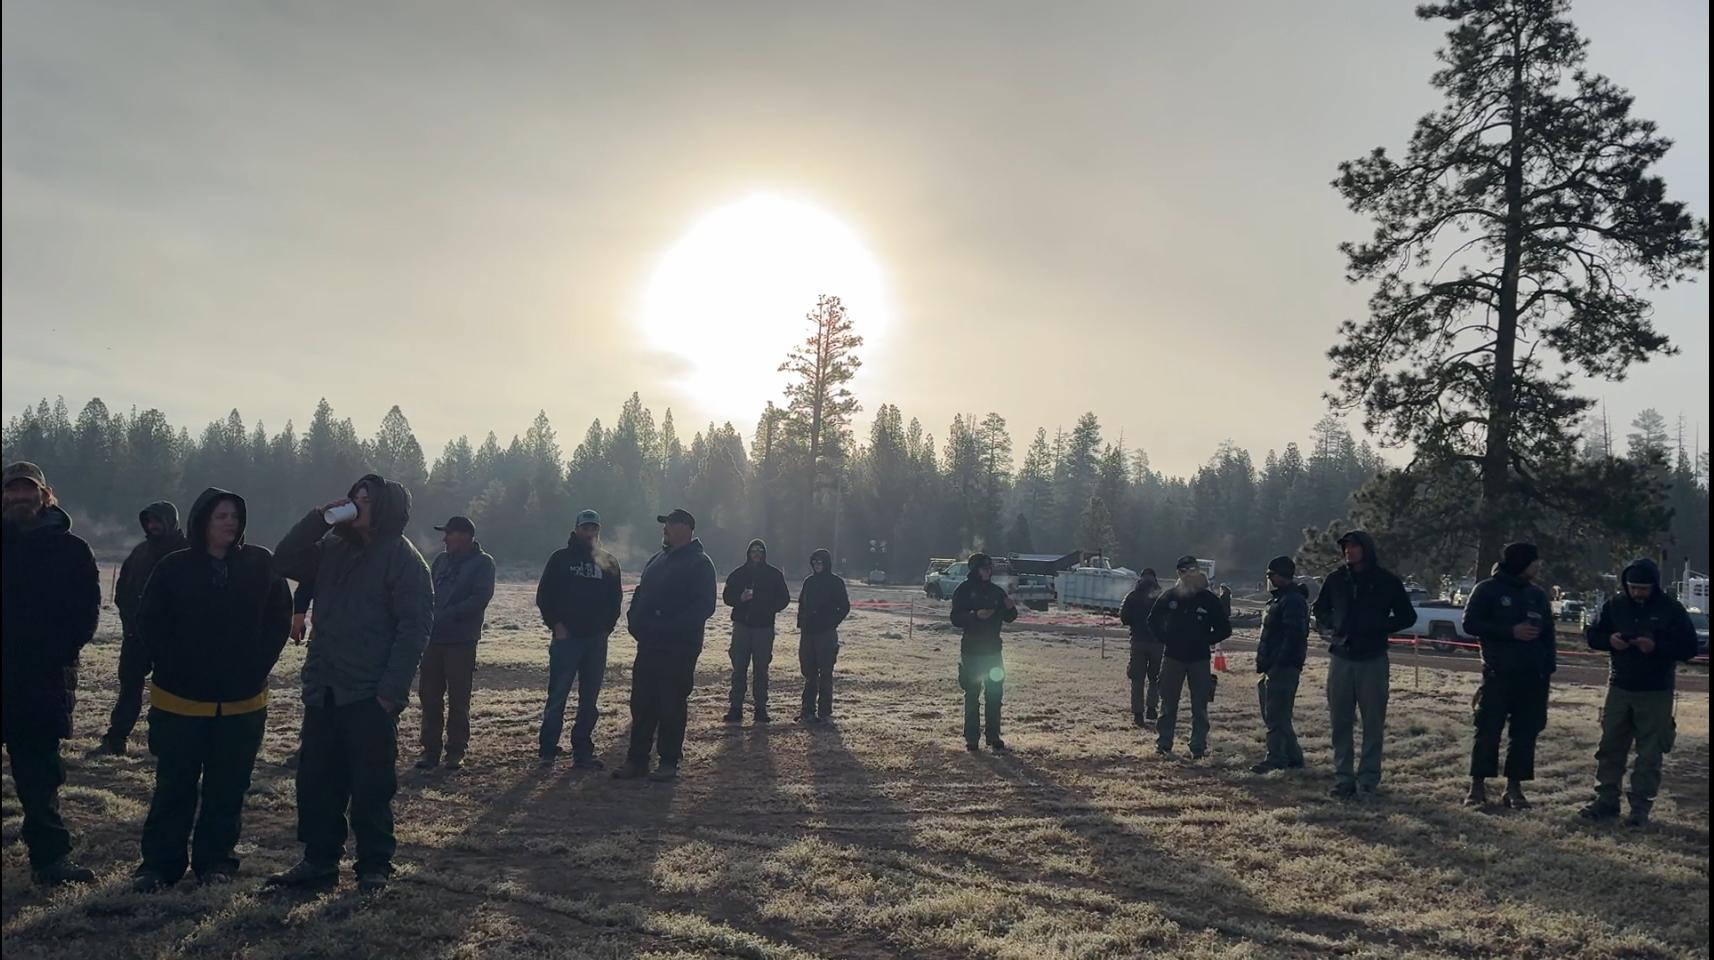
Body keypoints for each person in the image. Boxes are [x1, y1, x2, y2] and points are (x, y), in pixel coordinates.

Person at [266, 474, 432, 894]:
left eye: (366, 499)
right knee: (316, 781)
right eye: (354, 496)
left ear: (387, 508)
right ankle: (319, 861)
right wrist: (318, 519)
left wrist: (389, 695)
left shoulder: (404, 560)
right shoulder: (332, 548)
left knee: (371, 785)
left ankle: (374, 865)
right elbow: (283, 560)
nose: (356, 504)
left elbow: (414, 631)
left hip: (369, 694)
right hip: (324, 687)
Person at [131, 488, 292, 891]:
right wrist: (174, 665)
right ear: (202, 521)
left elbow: (278, 618)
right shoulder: (174, 568)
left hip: (242, 703)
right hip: (179, 701)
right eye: (221, 516)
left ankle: (216, 861)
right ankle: (159, 865)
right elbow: (149, 622)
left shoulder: (259, 564)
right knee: (174, 786)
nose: (230, 523)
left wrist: (257, 664)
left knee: (227, 789)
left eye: (235, 516)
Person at [1, 462, 100, 886]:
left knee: (41, 779)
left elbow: (85, 615)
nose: (20, 497)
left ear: (46, 496)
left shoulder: (72, 550)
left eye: (29, 490)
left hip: (40, 680)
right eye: (12, 490)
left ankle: (50, 861)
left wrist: (49, 657)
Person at [1580, 558, 1698, 827]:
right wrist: (1608, 641)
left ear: (1654, 586)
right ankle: (1606, 800)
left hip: (1655, 690)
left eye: (1643, 588)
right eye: (1633, 587)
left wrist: (1655, 646)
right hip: (1619, 686)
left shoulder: (1671, 609)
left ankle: (1640, 808)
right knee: (1610, 746)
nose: (1637, 593)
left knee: (1650, 753)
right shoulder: (1615, 606)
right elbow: (1592, 635)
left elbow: (1689, 647)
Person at [613, 508, 716, 782]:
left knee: (671, 704)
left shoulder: (700, 564)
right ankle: (637, 761)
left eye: (669, 524)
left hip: (678, 649)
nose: (664, 529)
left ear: (685, 528)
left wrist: (668, 628)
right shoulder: (657, 560)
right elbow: (639, 594)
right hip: (649, 645)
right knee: (641, 703)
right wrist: (635, 622)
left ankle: (668, 762)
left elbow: (703, 607)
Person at [1312, 530, 1415, 798]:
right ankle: (1343, 778)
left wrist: (1379, 627)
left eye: (1355, 547)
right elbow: (1319, 609)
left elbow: (1408, 616)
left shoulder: (1386, 581)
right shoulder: (1336, 580)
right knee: (1340, 721)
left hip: (1373, 659)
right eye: (1346, 547)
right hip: (1341, 657)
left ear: (1366, 549)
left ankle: (1368, 778)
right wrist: (1330, 625)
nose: (1349, 551)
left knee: (1372, 722)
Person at [1460, 543, 1555, 810]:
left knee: (1525, 733)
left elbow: (1549, 635)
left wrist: (1548, 669)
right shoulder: (1487, 589)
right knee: (1488, 730)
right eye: (1534, 562)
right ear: (1520, 562)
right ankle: (1477, 787)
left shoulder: (1537, 595)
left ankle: (1514, 789)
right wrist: (1510, 631)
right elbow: (1470, 624)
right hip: (1498, 673)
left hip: (1532, 677)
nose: (1538, 567)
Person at [98, 500, 187, 756]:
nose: (152, 526)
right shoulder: (140, 552)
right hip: (136, 636)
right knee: (129, 689)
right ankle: (116, 739)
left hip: (173, 641)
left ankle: (166, 744)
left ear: (171, 521)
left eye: (157, 521)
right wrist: (130, 624)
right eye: (149, 521)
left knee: (170, 694)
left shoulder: (187, 553)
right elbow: (123, 590)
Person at [535, 509, 623, 768]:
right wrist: (556, 624)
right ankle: (547, 750)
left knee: (590, 699)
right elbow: (545, 595)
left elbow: (614, 599)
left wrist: (607, 627)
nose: (590, 533)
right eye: (585, 528)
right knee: (558, 695)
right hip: (567, 638)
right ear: (576, 530)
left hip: (596, 640)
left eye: (594, 528)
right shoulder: (560, 559)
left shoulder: (609, 562)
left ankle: (582, 750)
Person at [415, 516, 496, 771]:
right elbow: (428, 593)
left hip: (461, 641)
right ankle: (430, 750)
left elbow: (479, 598)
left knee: (459, 699)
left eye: (448, 534)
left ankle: (456, 751)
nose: (444, 539)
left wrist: (445, 615)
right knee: (429, 696)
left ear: (463, 536)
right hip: (433, 640)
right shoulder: (440, 561)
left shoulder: (483, 564)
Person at [1147, 556, 1232, 759]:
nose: (1189, 574)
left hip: (1199, 659)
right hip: (1173, 656)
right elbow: (1153, 620)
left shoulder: (1208, 599)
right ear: (1178, 573)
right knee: (1168, 703)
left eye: (1193, 570)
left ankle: (1198, 747)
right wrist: (1165, 638)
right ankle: (1164, 743)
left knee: (1200, 705)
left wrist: (1206, 640)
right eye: (1185, 571)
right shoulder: (1170, 596)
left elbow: (1225, 628)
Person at [950, 553, 1018, 752]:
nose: (988, 571)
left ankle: (993, 735)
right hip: (971, 652)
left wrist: (1011, 609)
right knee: (972, 694)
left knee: (995, 695)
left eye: (990, 568)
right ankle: (972, 738)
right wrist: (975, 616)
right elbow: (955, 618)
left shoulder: (997, 592)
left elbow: (1010, 617)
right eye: (984, 568)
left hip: (993, 652)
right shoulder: (963, 591)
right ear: (975, 570)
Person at [721, 538, 791, 724]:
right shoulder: (738, 574)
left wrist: (768, 607)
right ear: (748, 553)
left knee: (761, 669)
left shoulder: (774, 575)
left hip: (764, 628)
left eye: (760, 551)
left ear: (764, 554)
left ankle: (760, 709)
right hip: (742, 627)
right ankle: (735, 707)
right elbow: (726, 597)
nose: (756, 554)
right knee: (739, 668)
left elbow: (784, 599)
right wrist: (739, 598)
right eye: (753, 551)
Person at [1252, 556, 1309, 774]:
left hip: (1282, 667)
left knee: (1276, 715)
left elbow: (1293, 636)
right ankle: (1293, 757)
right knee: (1277, 715)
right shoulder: (1282, 599)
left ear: (1280, 575)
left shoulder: (1291, 601)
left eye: (1271, 575)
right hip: (1274, 666)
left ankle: (1276, 757)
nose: (1269, 579)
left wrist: (1278, 662)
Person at [796, 548, 850, 723]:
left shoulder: (836, 583)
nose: (817, 565)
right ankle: (807, 710)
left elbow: (844, 606)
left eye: (820, 562)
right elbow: (801, 604)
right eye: (814, 562)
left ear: (826, 564)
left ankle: (825, 712)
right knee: (809, 672)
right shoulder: (809, 582)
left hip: (826, 634)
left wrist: (831, 622)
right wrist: (802, 623)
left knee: (826, 673)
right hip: (808, 633)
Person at [1119, 568, 1165, 727]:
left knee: (1137, 679)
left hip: (1138, 641)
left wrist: (1136, 622)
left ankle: (1138, 714)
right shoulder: (1161, 597)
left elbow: (1123, 618)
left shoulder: (1132, 596)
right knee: (1155, 678)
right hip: (1158, 642)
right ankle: (1152, 708)